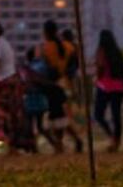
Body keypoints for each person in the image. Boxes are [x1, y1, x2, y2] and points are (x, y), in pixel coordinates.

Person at [0, 19, 34, 152]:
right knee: (8, 116)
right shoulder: (1, 44)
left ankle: (13, 146)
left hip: (4, 85)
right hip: (5, 83)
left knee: (6, 116)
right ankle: (12, 146)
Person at [40, 20, 83, 153]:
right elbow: (74, 65)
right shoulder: (68, 46)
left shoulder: (46, 48)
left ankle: (64, 144)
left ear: (46, 32)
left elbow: (45, 69)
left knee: (56, 116)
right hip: (66, 84)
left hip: (53, 85)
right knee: (59, 116)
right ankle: (64, 143)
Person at [94, 30, 123, 152]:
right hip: (118, 87)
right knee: (116, 115)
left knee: (98, 114)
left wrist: (97, 80)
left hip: (104, 86)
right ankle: (117, 140)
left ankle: (112, 137)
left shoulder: (101, 51)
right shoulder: (117, 53)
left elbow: (100, 68)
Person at [21, 47, 58, 152]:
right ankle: (51, 145)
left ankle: (35, 147)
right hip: (38, 97)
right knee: (39, 125)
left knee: (31, 124)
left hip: (33, 98)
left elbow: (29, 82)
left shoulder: (31, 68)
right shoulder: (40, 66)